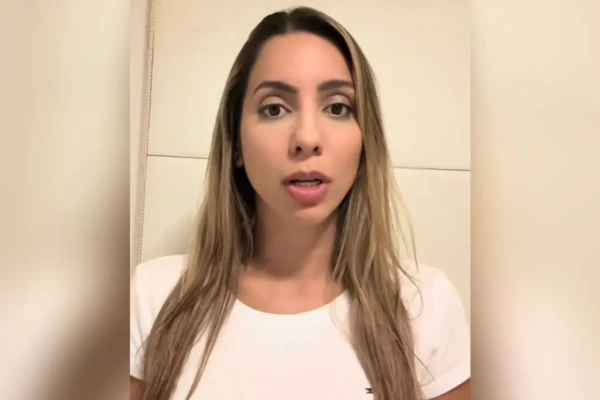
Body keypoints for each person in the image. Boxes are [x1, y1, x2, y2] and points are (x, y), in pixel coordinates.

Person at [130, 6, 470, 400]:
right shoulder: (153, 297)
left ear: (365, 140)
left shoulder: (425, 307)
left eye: (337, 108)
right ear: (236, 143)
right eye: (274, 109)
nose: (307, 138)